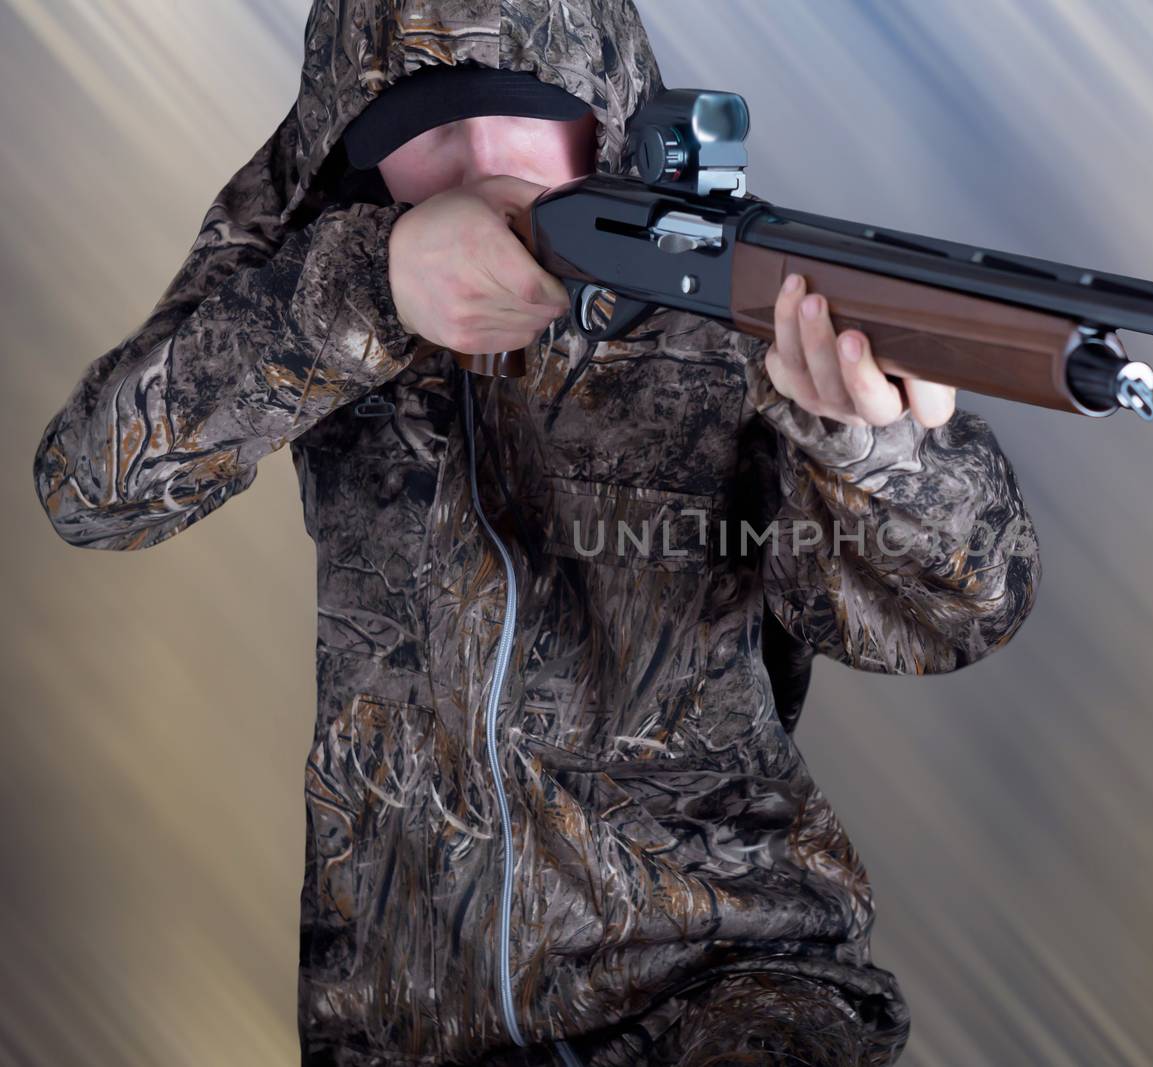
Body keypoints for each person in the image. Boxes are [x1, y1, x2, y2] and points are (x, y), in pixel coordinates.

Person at [32, 2, 1041, 1065]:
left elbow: (953, 619)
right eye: (422, 126)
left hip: (725, 985)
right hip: (399, 1012)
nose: (479, 166)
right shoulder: (318, 240)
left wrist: (878, 454)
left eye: (519, 116)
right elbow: (95, 489)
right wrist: (362, 291)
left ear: (602, 116)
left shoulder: (736, 283)